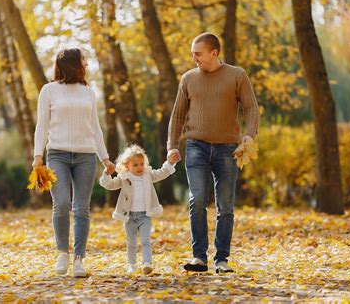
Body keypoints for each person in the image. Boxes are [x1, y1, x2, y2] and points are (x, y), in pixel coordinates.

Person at [167, 32, 260, 273]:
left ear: (214, 52)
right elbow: (177, 114)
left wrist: (249, 135)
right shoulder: (188, 78)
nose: (194, 58)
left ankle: (222, 259)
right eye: (192, 54)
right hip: (196, 145)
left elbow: (251, 109)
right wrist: (172, 146)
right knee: (196, 199)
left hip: (228, 149)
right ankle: (199, 257)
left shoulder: (237, 75)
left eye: (198, 53)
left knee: (225, 206)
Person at [32, 48, 115, 277]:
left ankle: (79, 259)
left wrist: (105, 158)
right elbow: (42, 125)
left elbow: (95, 127)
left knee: (81, 208)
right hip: (57, 154)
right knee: (61, 204)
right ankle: (63, 254)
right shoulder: (48, 91)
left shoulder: (88, 92)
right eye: (82, 60)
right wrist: (38, 156)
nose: (86, 64)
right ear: (71, 64)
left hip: (86, 156)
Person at [99, 145, 179, 274]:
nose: (139, 167)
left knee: (145, 240)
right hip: (129, 216)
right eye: (135, 165)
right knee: (131, 242)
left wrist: (170, 163)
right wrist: (107, 174)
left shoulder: (148, 175)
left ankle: (147, 263)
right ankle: (132, 264)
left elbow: (162, 173)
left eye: (141, 164)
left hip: (144, 216)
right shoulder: (123, 177)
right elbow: (109, 185)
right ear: (127, 165)